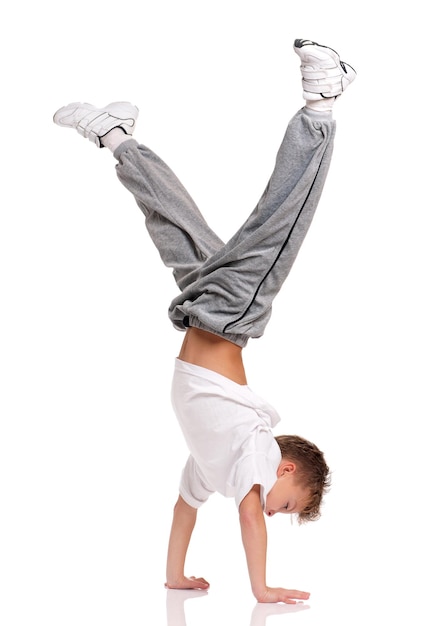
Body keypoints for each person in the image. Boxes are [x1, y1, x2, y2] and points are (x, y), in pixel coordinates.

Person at [53, 38, 356, 604]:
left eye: (281, 510)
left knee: (174, 227)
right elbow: (251, 521)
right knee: (281, 216)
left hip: (201, 313)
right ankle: (322, 105)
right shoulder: (254, 459)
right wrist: (261, 588)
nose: (274, 508)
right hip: (230, 316)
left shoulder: (213, 470)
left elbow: (182, 512)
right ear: (286, 468)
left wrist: (176, 574)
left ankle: (119, 137)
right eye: (287, 502)